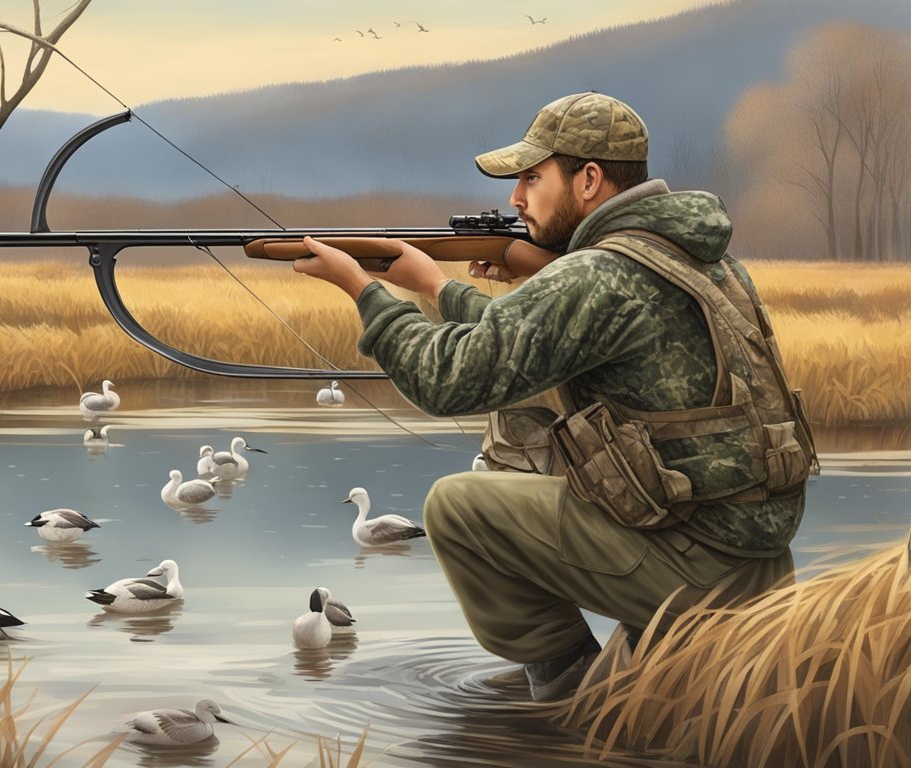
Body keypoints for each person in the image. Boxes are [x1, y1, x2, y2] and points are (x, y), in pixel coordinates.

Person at [293, 91, 815, 701]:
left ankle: (572, 693)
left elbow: (447, 378)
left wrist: (365, 291)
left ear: (589, 179)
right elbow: (536, 339)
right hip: (756, 556)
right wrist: (438, 287)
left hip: (699, 566)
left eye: (533, 178)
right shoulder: (704, 258)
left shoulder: (594, 274)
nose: (515, 199)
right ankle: (640, 654)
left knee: (458, 508)